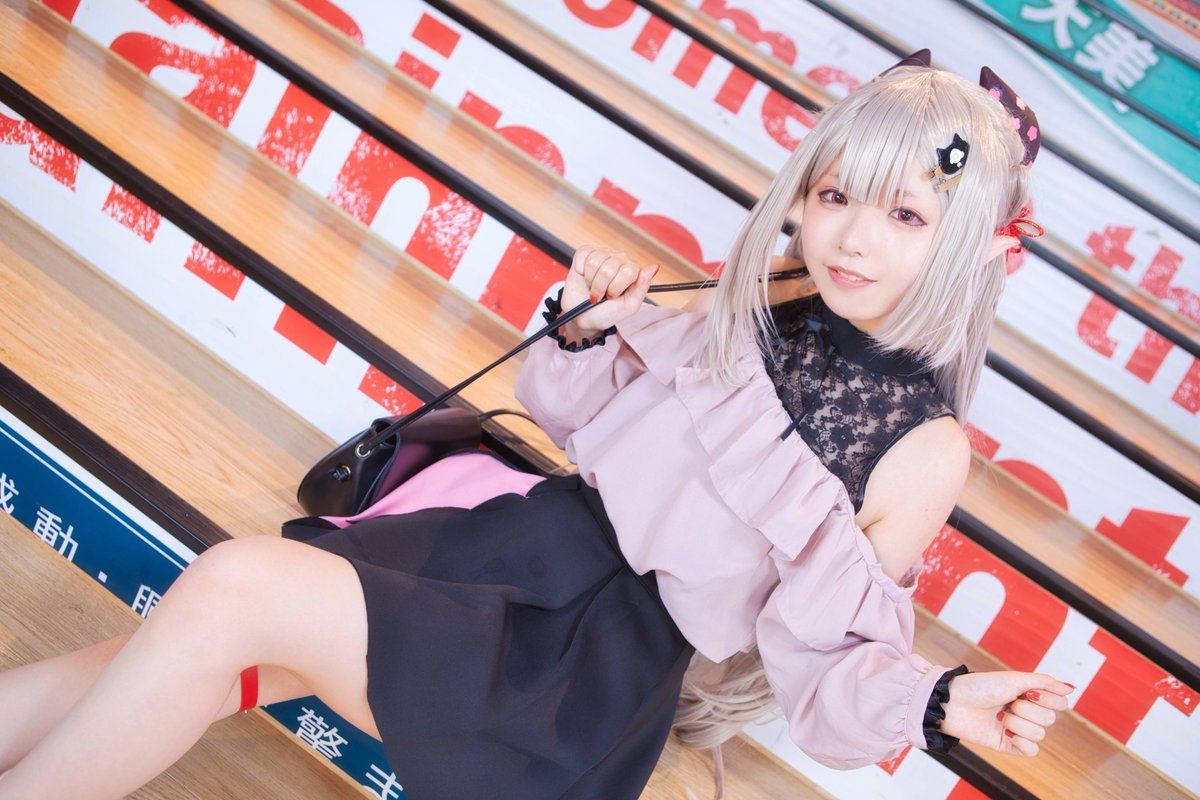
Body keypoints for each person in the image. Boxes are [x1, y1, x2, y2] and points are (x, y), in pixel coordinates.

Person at [0, 57, 1072, 800]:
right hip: (504, 552)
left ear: (981, 248)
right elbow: (576, 420)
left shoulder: (923, 447)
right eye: (836, 196)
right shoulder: (762, 298)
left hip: (579, 667)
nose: (852, 238)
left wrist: (936, 699)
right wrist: (590, 329)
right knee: (175, 650)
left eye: (906, 215)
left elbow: (825, 659)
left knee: (233, 591)